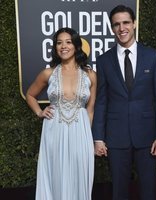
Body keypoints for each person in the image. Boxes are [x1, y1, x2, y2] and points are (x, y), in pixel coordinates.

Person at [92, 5, 156, 200]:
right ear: (112, 29)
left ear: (134, 24)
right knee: (119, 191)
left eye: (126, 22)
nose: (121, 28)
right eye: (116, 24)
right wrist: (98, 137)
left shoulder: (153, 57)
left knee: (149, 190)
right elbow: (101, 101)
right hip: (115, 137)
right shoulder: (103, 61)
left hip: (148, 136)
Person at [26, 27, 96, 200]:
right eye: (59, 43)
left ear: (77, 46)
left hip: (81, 132)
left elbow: (90, 109)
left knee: (80, 176)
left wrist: (88, 139)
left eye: (68, 42)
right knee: (56, 175)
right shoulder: (48, 73)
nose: (63, 46)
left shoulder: (90, 75)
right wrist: (39, 112)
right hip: (54, 130)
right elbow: (30, 95)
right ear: (55, 47)